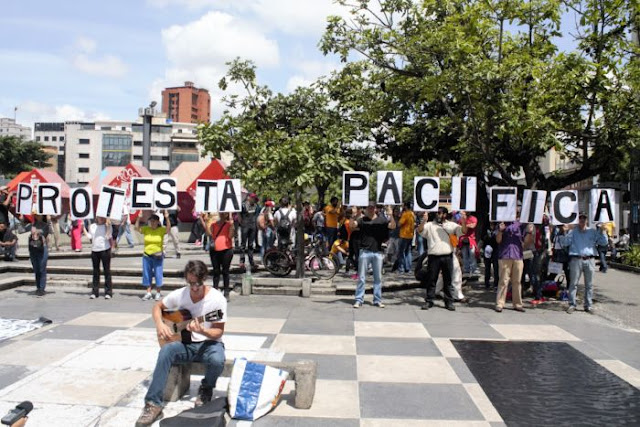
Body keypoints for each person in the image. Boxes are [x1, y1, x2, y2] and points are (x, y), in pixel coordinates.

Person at [135, 260, 227, 427]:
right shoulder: (181, 294)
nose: (194, 288)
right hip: (186, 344)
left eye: (197, 283)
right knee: (166, 352)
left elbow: (218, 332)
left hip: (209, 344)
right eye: (190, 283)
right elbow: (157, 307)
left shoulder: (217, 300)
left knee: (218, 359)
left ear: (204, 279)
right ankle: (153, 404)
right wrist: (161, 324)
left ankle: (206, 388)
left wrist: (203, 331)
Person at [560, 212, 609, 314]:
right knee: (573, 283)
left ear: (587, 220)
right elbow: (564, 243)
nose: (582, 220)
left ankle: (588, 306)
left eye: (584, 218)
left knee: (589, 284)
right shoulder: (573, 232)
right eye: (580, 218)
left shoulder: (592, 231)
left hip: (590, 259)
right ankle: (572, 304)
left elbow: (603, 242)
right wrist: (564, 232)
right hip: (576, 259)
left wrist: (603, 231)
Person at [418, 207, 465, 311]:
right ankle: (429, 300)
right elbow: (420, 230)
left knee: (448, 280)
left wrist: (464, 220)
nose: (437, 215)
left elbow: (463, 231)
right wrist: (424, 221)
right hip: (434, 256)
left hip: (447, 256)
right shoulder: (430, 225)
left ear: (445, 214)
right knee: (431, 280)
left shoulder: (451, 225)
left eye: (439, 213)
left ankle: (449, 302)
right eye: (436, 213)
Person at [351, 202, 396, 308]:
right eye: (369, 208)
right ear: (366, 209)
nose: (370, 209)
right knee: (361, 277)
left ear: (375, 209)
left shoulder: (382, 220)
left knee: (378, 278)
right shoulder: (362, 220)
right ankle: (358, 299)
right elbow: (352, 226)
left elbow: (393, 226)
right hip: (364, 251)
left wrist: (391, 215)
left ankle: (377, 300)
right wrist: (353, 215)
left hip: (378, 252)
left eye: (372, 208)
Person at [495, 217, 533, 313]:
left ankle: (517, 304)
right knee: (503, 280)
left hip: (518, 256)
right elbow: (498, 240)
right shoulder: (502, 222)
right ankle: (500, 303)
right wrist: (500, 231)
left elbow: (527, 243)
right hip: (505, 255)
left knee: (517, 281)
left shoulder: (522, 224)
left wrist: (529, 232)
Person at [136, 211, 171, 301]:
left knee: (158, 273)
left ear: (158, 222)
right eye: (151, 221)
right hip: (147, 254)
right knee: (147, 274)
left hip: (157, 255)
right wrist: (139, 217)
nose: (152, 223)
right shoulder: (146, 229)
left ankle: (158, 292)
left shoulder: (161, 229)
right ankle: (148, 292)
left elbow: (168, 229)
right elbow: (136, 228)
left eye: (154, 221)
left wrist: (167, 218)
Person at [203, 212, 235, 300]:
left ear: (226, 215)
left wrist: (232, 226)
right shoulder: (214, 224)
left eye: (224, 213)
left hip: (226, 250)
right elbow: (209, 234)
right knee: (216, 272)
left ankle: (226, 291)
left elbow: (230, 236)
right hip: (215, 250)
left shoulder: (229, 224)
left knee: (225, 271)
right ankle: (215, 290)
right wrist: (206, 222)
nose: (222, 215)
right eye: (221, 213)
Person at [85, 216, 113, 299]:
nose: (100, 218)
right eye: (98, 217)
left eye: (102, 217)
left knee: (107, 271)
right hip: (95, 250)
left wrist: (108, 227)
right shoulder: (92, 226)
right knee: (95, 271)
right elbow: (89, 236)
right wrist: (83, 227)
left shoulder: (107, 225)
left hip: (105, 250)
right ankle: (95, 291)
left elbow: (108, 236)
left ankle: (108, 292)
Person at [26, 213, 50, 296]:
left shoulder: (45, 225)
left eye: (39, 215)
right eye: (36, 215)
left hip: (42, 249)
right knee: (36, 269)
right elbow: (21, 230)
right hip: (33, 249)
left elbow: (48, 231)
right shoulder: (31, 224)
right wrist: (21, 220)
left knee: (41, 268)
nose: (37, 216)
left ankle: (42, 288)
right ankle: (38, 287)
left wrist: (38, 232)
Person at [239, 193, 259, 271]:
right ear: (248, 198)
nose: (254, 200)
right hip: (245, 226)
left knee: (251, 245)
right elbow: (239, 213)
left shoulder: (256, 206)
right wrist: (241, 222)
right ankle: (242, 261)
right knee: (243, 245)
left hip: (253, 226)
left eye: (254, 198)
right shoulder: (243, 205)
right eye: (252, 198)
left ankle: (251, 261)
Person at [458, 212, 479, 277]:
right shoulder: (460, 219)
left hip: (471, 239)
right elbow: (459, 228)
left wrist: (465, 225)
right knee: (464, 256)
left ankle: (474, 270)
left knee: (472, 254)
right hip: (463, 240)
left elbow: (473, 225)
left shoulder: (473, 218)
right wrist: (466, 224)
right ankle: (466, 270)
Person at [396, 202, 415, 274]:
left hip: (404, 235)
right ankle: (408, 268)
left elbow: (399, 224)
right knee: (408, 252)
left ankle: (401, 268)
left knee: (401, 252)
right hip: (410, 235)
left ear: (406, 206)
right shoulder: (412, 214)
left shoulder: (405, 214)